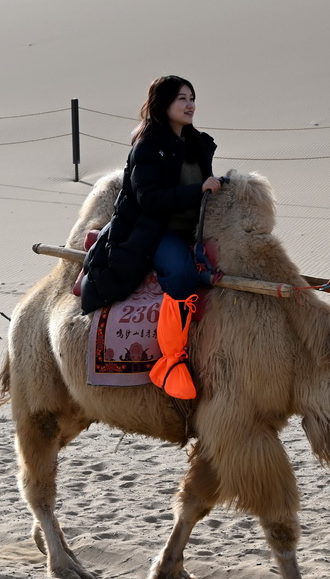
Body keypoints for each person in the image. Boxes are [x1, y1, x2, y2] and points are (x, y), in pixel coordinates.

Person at [80, 76, 223, 399]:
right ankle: (172, 362)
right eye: (181, 99)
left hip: (192, 228)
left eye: (192, 98)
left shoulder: (196, 144)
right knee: (183, 274)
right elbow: (150, 200)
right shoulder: (147, 146)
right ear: (164, 104)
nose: (190, 105)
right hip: (155, 229)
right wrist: (197, 190)